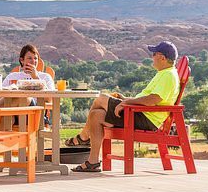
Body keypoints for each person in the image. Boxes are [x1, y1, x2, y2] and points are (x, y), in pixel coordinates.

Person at [70, 41, 181, 173]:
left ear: (162, 57)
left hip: (145, 118)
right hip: (138, 113)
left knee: (100, 99)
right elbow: (148, 98)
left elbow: (153, 100)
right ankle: (93, 162)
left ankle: (83, 137)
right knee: (96, 115)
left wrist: (126, 103)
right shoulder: (163, 73)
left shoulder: (168, 75)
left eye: (154, 54)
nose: (152, 57)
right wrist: (126, 99)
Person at [0, 44, 54, 131]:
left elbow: (49, 99)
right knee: (7, 116)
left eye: (35, 58)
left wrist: (36, 78)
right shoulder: (12, 76)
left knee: (24, 97)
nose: (33, 61)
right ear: (22, 60)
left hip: (34, 114)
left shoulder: (45, 77)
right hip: (13, 114)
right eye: (30, 58)